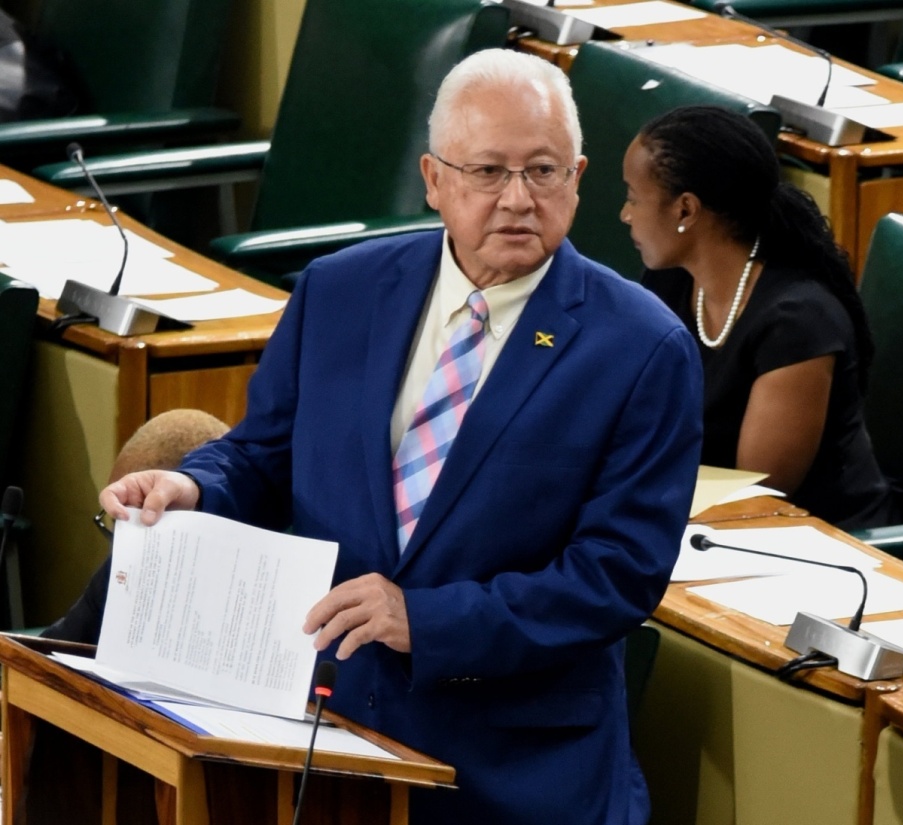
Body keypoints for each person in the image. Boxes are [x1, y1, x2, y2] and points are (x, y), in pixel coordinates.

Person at [99, 49, 703, 825]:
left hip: (512, 771)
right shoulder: (339, 292)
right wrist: (194, 485)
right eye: (488, 172)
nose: (518, 199)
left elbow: (616, 575)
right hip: (319, 738)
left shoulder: (641, 348)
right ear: (434, 179)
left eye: (543, 171)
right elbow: (262, 454)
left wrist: (427, 619)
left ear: (579, 177)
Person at [623, 105, 901, 531]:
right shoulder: (670, 281)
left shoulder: (797, 321)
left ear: (685, 210)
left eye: (633, 197)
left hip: (815, 545)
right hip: (692, 521)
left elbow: (756, 496)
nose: (625, 214)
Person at [43, 408, 231, 645]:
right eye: (116, 524)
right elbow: (46, 656)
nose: (121, 546)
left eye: (132, 523)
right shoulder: (117, 573)